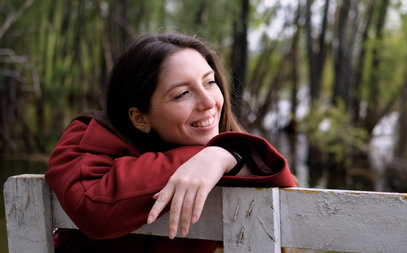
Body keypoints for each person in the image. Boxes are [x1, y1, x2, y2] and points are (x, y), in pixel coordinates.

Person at [45, 32, 296, 253]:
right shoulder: (86, 138)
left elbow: (286, 200)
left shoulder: (232, 155)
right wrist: (212, 154)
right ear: (140, 118)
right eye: (182, 94)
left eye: (210, 82)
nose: (208, 102)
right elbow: (94, 206)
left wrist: (224, 157)